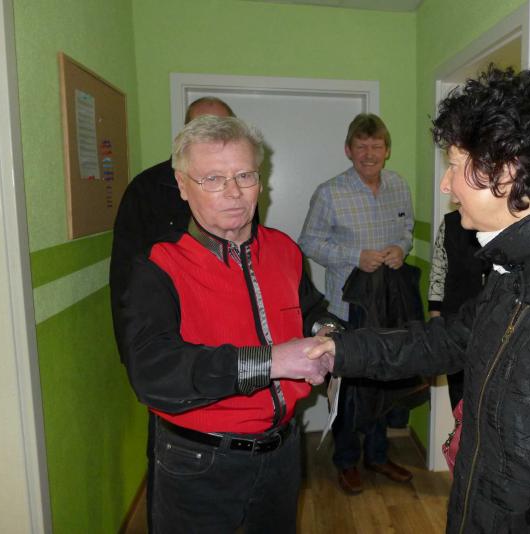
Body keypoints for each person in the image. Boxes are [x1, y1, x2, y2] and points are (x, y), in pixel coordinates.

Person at [309, 66, 530, 533]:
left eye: (455, 165)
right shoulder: (520, 268)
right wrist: (339, 349)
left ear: (506, 169)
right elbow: (445, 340)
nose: (446, 184)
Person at [115, 115, 340, 533]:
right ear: (183, 186)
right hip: (198, 463)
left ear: (260, 180)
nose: (233, 192)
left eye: (244, 175)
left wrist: (326, 333)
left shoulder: (284, 249)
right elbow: (152, 371)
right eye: (213, 179)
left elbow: (310, 310)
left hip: (282, 455)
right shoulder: (158, 266)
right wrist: (270, 362)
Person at [298, 113, 415, 494]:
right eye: (361, 146)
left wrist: (401, 248)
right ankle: (346, 460)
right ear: (348, 150)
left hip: (388, 306)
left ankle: (378, 456)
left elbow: (407, 230)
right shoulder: (329, 192)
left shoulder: (399, 185)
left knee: (382, 381)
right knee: (347, 389)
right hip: (345, 308)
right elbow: (308, 243)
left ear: (387, 150)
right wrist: (354, 256)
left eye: (376, 146)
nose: (369, 154)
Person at [110, 96, 235, 324]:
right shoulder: (146, 188)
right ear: (186, 133)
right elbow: (124, 272)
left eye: (223, 129)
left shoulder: (241, 189)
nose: (215, 138)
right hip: (168, 322)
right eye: (204, 129)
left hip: (228, 316)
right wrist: (133, 338)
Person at [427, 209, 490, 409]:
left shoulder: (501, 221)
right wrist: (436, 320)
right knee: (459, 395)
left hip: (492, 323)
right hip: (455, 320)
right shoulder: (451, 223)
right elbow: (438, 271)